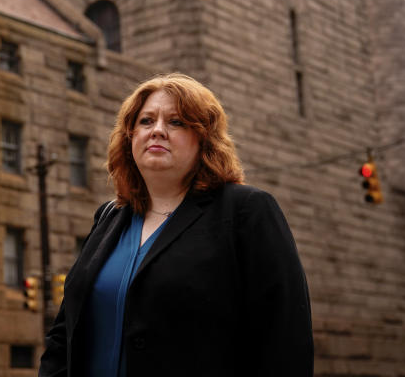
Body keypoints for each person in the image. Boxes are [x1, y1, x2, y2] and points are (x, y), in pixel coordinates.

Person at [39, 73, 313, 376]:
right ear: (130, 136)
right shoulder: (108, 217)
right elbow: (63, 335)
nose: (157, 130)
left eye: (176, 122)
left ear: (204, 139)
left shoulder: (246, 211)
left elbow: (285, 340)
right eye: (146, 121)